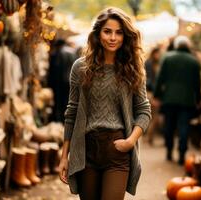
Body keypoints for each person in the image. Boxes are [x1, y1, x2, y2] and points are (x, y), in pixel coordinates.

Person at [58, 7, 152, 200]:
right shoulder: (80, 68)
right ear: (98, 33)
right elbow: (72, 112)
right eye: (107, 31)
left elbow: (144, 110)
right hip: (86, 151)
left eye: (118, 32)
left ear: (125, 36)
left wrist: (130, 142)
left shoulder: (133, 69)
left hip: (117, 151)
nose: (112, 37)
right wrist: (64, 156)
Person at [153, 35, 201, 165]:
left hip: (169, 99)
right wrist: (198, 99)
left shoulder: (167, 58)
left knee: (169, 126)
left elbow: (160, 79)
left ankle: (169, 151)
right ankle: (181, 154)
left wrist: (157, 95)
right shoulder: (194, 61)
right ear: (188, 46)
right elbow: (197, 83)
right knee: (184, 127)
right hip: (187, 100)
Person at [48, 39, 76, 122]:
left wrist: (51, 83)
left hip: (61, 82)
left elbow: (56, 69)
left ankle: (60, 120)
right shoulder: (72, 52)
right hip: (70, 81)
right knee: (68, 102)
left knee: (60, 103)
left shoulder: (59, 52)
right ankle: (67, 120)